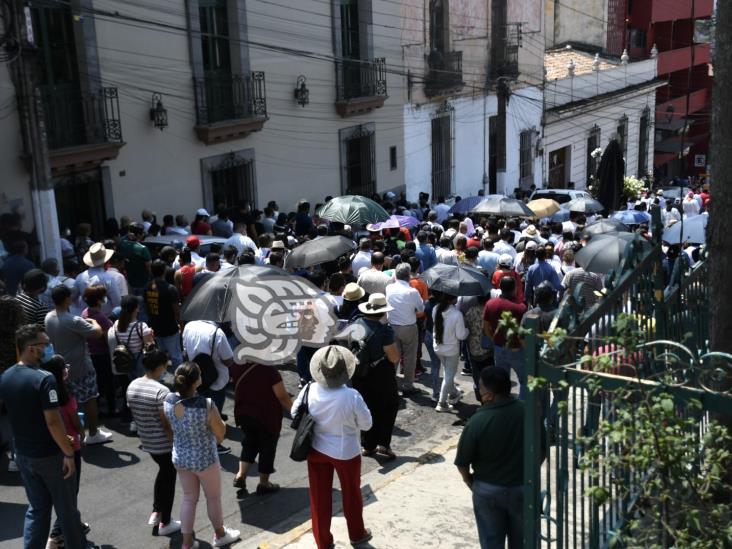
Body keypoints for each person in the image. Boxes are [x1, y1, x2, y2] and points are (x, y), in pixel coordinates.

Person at [0, 325, 88, 548]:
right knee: (66, 510)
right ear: (31, 349)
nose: (49, 348)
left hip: (23, 454)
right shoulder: (45, 378)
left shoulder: (6, 376)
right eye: (45, 344)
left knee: (37, 509)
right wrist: (68, 453)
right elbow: (53, 421)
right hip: (50, 456)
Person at [291, 346, 373, 549]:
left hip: (316, 449)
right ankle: (356, 533)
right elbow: (367, 424)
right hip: (346, 451)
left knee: (319, 498)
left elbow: (294, 412)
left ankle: (323, 541)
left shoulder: (309, 389)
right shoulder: (351, 396)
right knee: (351, 494)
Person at [164, 362, 240, 549]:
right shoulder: (206, 405)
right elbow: (221, 434)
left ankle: (187, 544)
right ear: (196, 381)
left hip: (181, 457)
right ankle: (220, 534)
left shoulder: (167, 400)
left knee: (189, 498)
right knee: (213, 498)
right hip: (205, 460)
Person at [455, 367, 525, 549]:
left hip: (487, 490)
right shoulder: (527, 412)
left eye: (480, 388)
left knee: (491, 542)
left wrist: (469, 481)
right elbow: (541, 448)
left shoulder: (477, 421)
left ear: (489, 395)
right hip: (522, 487)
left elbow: (462, 462)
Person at [45, 285, 112, 445]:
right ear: (67, 299)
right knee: (90, 400)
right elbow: (97, 332)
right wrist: (94, 322)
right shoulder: (72, 320)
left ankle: (73, 432)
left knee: (68, 404)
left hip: (62, 368)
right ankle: (93, 433)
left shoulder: (49, 317)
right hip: (81, 367)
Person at [126, 345, 182, 537]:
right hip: (163, 444)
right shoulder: (162, 391)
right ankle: (165, 521)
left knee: (163, 474)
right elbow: (167, 424)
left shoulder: (132, 385)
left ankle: (157, 510)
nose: (166, 369)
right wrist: (175, 444)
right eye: (165, 366)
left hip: (148, 442)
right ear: (159, 366)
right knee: (169, 480)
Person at [43, 354, 89, 547]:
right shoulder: (67, 397)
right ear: (61, 373)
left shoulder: (45, 394)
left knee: (65, 492)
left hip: (52, 448)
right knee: (70, 492)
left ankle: (74, 523)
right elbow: (76, 424)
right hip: (71, 448)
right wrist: (82, 434)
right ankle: (56, 535)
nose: (67, 368)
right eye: (65, 366)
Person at [349, 294, 401, 459]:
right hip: (380, 374)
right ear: (383, 312)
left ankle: (368, 445)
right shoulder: (384, 331)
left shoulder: (356, 323)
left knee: (366, 408)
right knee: (388, 406)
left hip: (358, 373)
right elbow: (394, 357)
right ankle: (383, 444)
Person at [230, 360, 292, 496]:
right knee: (267, 447)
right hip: (266, 414)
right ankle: (264, 483)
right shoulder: (268, 369)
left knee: (249, 443)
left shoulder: (237, 365)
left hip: (244, 412)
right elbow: (281, 395)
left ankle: (241, 474)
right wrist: (293, 410)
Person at [181, 320, 234, 453]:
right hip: (217, 380)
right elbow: (228, 361)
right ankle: (214, 444)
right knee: (214, 411)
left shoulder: (189, 326)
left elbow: (185, 351)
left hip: (197, 378)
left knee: (201, 408)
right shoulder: (218, 333)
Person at [107, 295, 155, 430]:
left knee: (130, 393)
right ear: (136, 309)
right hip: (138, 366)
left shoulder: (116, 325)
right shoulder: (141, 327)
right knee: (142, 394)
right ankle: (139, 423)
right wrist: (151, 337)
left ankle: (131, 420)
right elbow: (149, 347)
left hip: (123, 364)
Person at [483, 277, 528, 399]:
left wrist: (493, 339)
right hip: (517, 349)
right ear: (514, 289)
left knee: (501, 381)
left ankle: (504, 405)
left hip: (498, 348)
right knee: (525, 381)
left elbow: (486, 326)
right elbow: (524, 332)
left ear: (500, 288)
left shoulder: (490, 304)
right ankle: (522, 407)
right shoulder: (521, 308)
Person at [385, 263, 425, 395]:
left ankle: (391, 383)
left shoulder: (389, 288)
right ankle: (407, 385)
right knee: (410, 358)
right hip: (408, 327)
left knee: (394, 357)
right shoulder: (412, 292)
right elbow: (421, 309)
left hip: (392, 327)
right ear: (408, 277)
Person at [81, 285, 116, 417]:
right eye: (103, 297)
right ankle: (112, 409)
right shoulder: (100, 318)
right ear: (98, 300)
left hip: (91, 353)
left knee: (98, 382)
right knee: (108, 382)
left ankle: (98, 407)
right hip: (103, 354)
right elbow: (108, 339)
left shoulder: (85, 312)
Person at [432, 293, 469, 412]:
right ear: (453, 299)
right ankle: (442, 403)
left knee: (447, 373)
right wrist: (467, 330)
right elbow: (461, 335)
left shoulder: (436, 308)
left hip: (438, 347)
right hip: (451, 350)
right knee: (448, 376)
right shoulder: (456, 314)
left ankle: (453, 393)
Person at [145, 259, 183, 369]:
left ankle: (162, 374)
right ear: (164, 271)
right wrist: (181, 325)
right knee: (176, 356)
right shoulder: (171, 289)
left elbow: (146, 307)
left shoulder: (147, 287)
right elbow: (177, 311)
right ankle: (180, 378)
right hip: (170, 328)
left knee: (161, 354)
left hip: (155, 328)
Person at [75, 242, 121, 317]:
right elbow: (117, 302)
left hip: (85, 317)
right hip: (105, 317)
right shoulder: (108, 279)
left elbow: (73, 298)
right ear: (106, 260)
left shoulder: (80, 277)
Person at [118, 223, 152, 311]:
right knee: (142, 306)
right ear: (140, 234)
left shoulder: (122, 244)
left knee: (132, 306)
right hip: (143, 282)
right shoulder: (143, 249)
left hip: (129, 282)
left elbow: (120, 240)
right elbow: (149, 268)